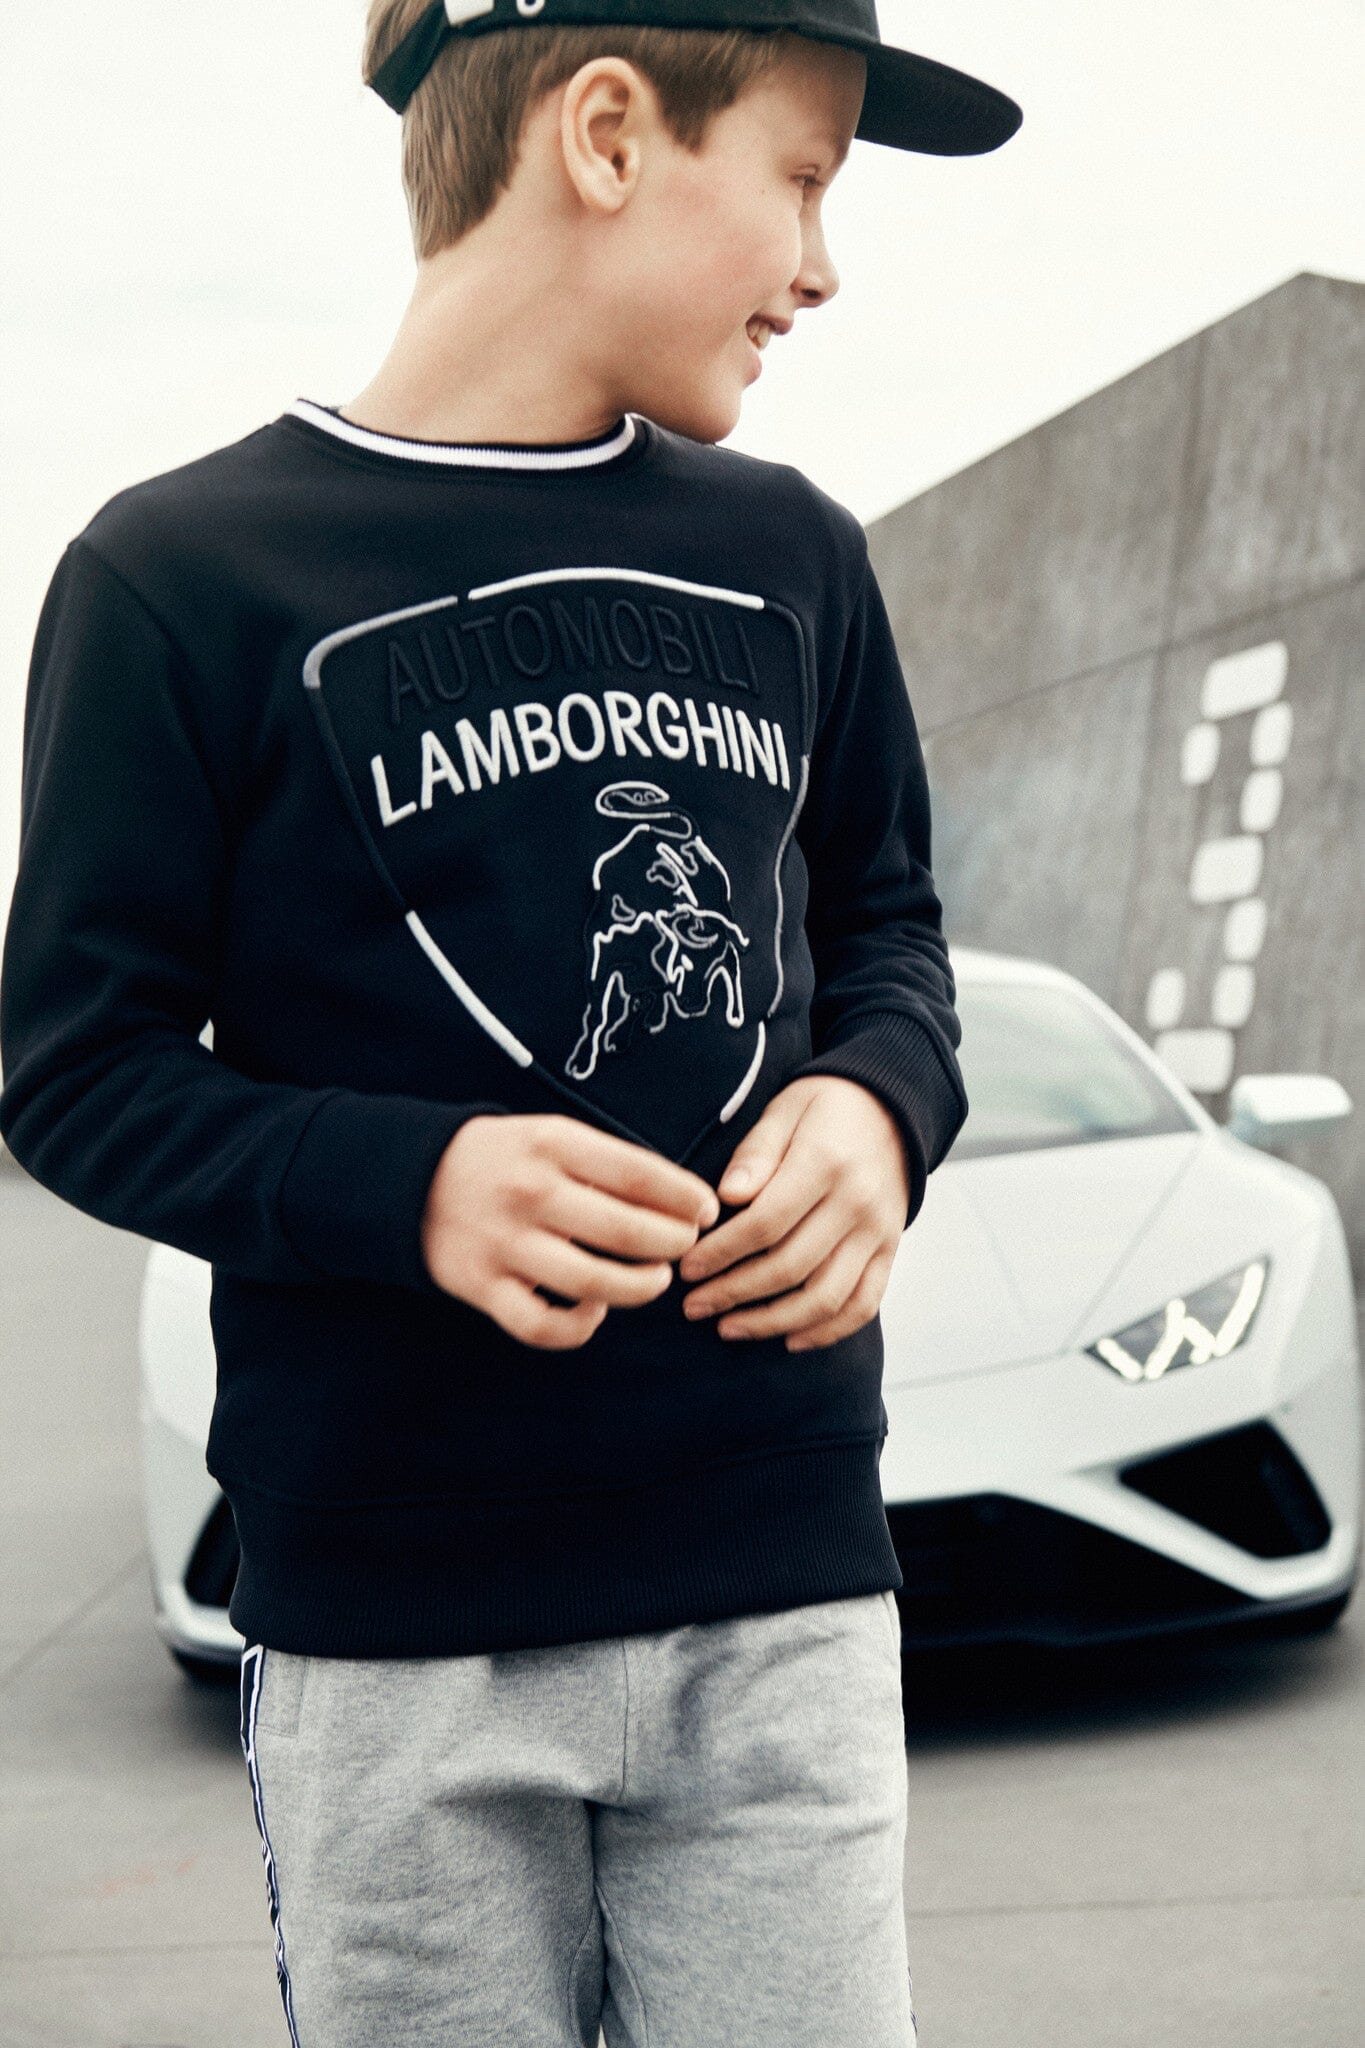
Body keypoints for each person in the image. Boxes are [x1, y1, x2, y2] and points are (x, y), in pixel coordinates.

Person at [0, 1, 1019, 2040]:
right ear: (608, 135)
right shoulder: (179, 577)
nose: (822, 264)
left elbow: (887, 930)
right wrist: (411, 1183)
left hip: (777, 1579)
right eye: (803, 180)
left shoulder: (794, 557)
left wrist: (880, 1103)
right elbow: (75, 1070)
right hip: (395, 1625)